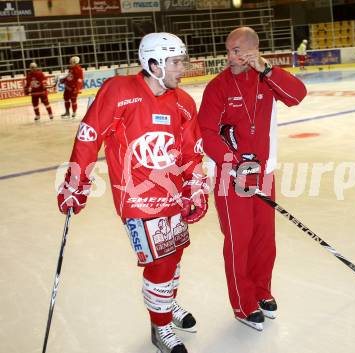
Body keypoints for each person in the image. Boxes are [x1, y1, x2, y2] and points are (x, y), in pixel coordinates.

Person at [57, 33, 209, 353]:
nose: (183, 68)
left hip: (172, 193)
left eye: (183, 61)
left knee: (175, 254)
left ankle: (166, 304)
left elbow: (190, 152)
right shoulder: (119, 91)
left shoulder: (183, 102)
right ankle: (160, 325)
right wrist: (76, 183)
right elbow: (89, 136)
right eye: (176, 62)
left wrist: (195, 186)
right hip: (138, 198)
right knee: (160, 262)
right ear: (153, 64)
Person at [197, 26, 307, 331]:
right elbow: (206, 132)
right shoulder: (218, 86)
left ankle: (262, 291)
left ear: (251, 51)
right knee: (239, 240)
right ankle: (243, 303)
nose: (229, 56)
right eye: (228, 49)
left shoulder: (266, 78)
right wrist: (232, 164)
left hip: (265, 172)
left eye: (236, 50)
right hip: (229, 177)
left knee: (264, 240)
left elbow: (297, 96)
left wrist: (268, 70)